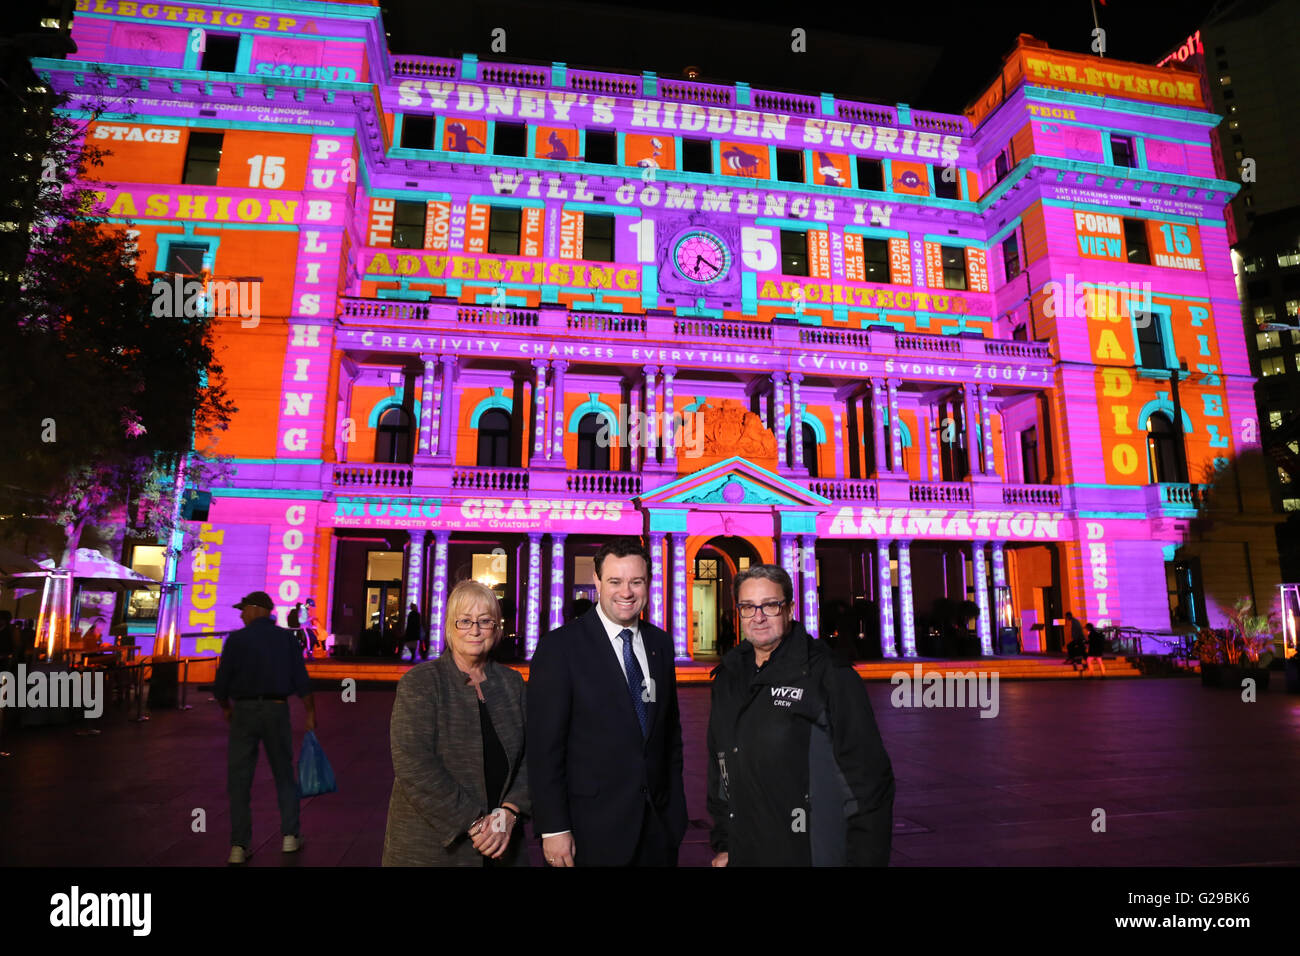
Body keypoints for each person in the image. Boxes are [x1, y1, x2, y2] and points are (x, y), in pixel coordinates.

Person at [707, 564, 895, 867]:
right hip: (746, 853)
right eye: (748, 607)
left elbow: (870, 785)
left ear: (790, 609)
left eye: (770, 605)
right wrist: (726, 843)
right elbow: (721, 772)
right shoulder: (728, 679)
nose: (758, 616)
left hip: (808, 853)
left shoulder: (829, 676)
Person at [527, 537, 687, 866]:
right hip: (589, 832)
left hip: (657, 832)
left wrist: (675, 816)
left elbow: (670, 736)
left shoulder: (661, 644)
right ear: (597, 581)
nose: (626, 592)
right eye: (615, 581)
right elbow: (544, 750)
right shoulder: (560, 649)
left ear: (648, 583)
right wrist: (554, 828)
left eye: (636, 582)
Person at [383, 580, 529, 866]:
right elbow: (413, 764)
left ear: (496, 629)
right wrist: (474, 823)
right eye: (465, 621)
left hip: (503, 844)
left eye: (484, 621)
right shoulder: (421, 683)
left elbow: (531, 757)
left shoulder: (512, 683)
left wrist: (510, 812)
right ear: (450, 626)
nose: (475, 630)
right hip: (431, 849)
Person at [213, 591, 317, 865]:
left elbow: (222, 680)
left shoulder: (236, 640)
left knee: (239, 778)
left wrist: (225, 707)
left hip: (244, 711)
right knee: (283, 772)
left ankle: (239, 844)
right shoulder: (285, 639)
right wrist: (309, 712)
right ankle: (290, 836)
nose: (240, 613)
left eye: (243, 608)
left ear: (255, 609)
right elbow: (301, 678)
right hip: (276, 708)